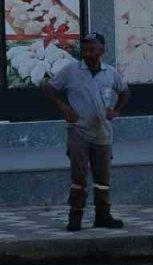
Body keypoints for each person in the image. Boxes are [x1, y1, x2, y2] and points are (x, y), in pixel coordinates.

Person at [41, 32, 129, 231]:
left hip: (103, 135)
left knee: (103, 179)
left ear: (101, 51)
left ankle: (103, 216)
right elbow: (47, 87)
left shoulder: (110, 73)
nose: (87, 52)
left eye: (92, 48)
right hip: (79, 133)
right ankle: (75, 217)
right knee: (79, 178)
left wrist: (117, 109)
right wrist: (63, 107)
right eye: (85, 48)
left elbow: (125, 91)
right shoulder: (71, 70)